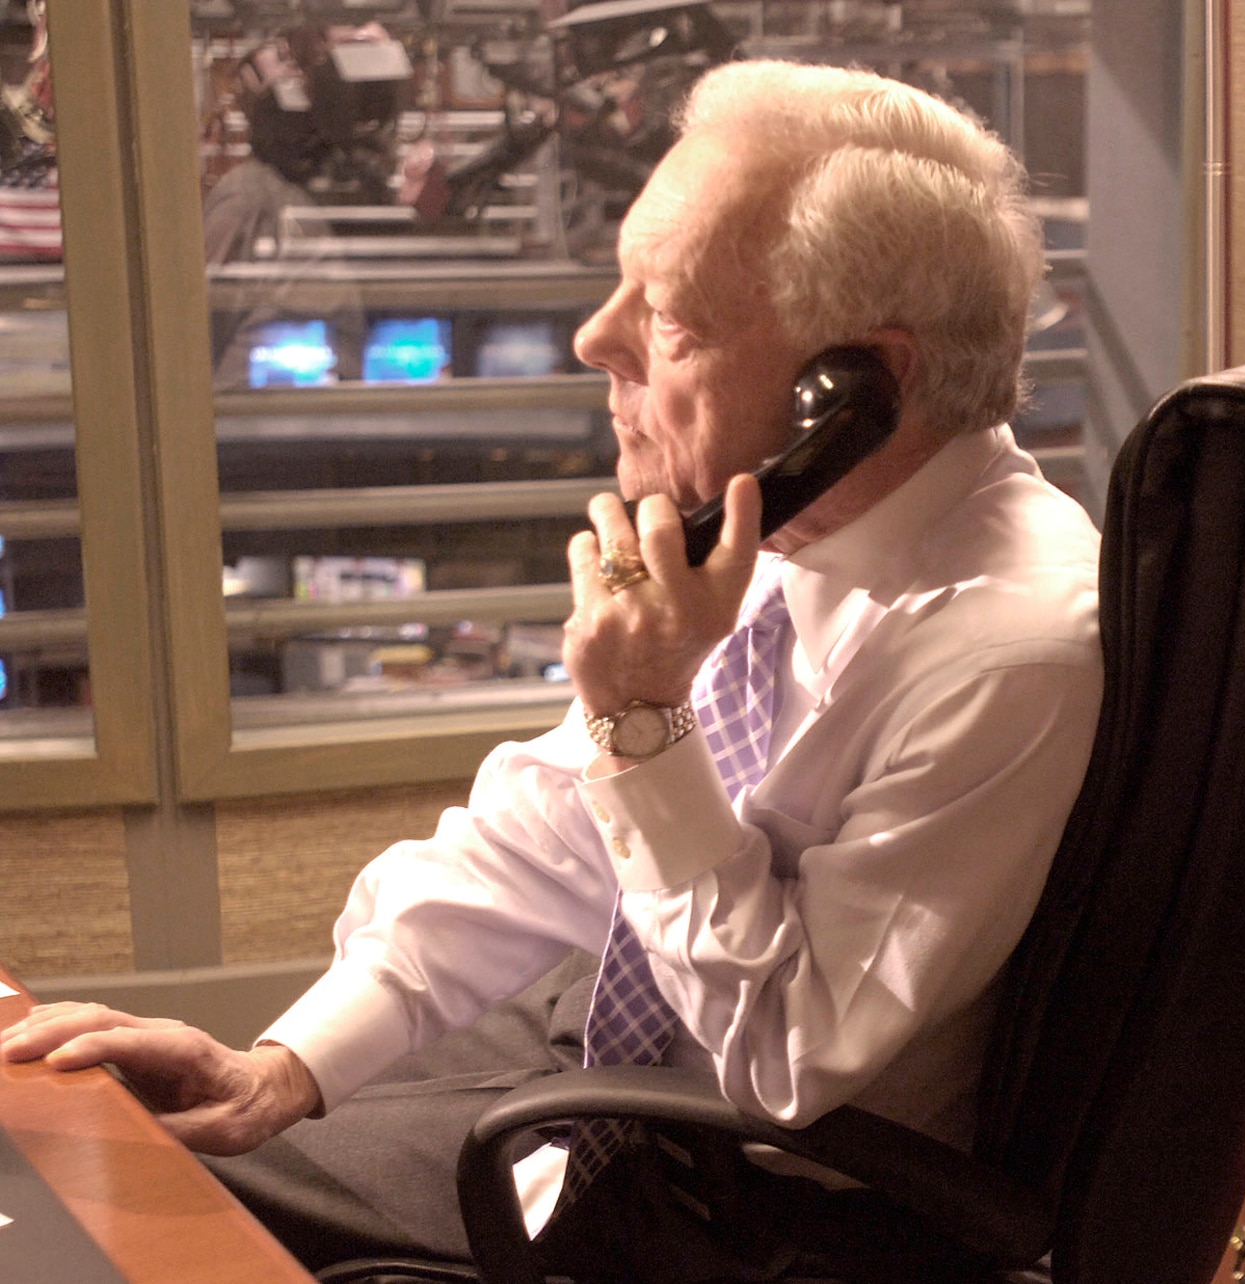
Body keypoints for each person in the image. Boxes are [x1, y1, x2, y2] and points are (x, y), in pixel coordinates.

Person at [2, 60, 1104, 1281]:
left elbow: (788, 1060)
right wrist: (280, 1068)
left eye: (671, 319)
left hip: (739, 1213)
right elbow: (553, 828)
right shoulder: (795, 531)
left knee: (133, 1233)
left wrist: (643, 723)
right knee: (119, 1159)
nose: (596, 341)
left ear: (847, 391)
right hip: (610, 1077)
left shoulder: (1005, 651)